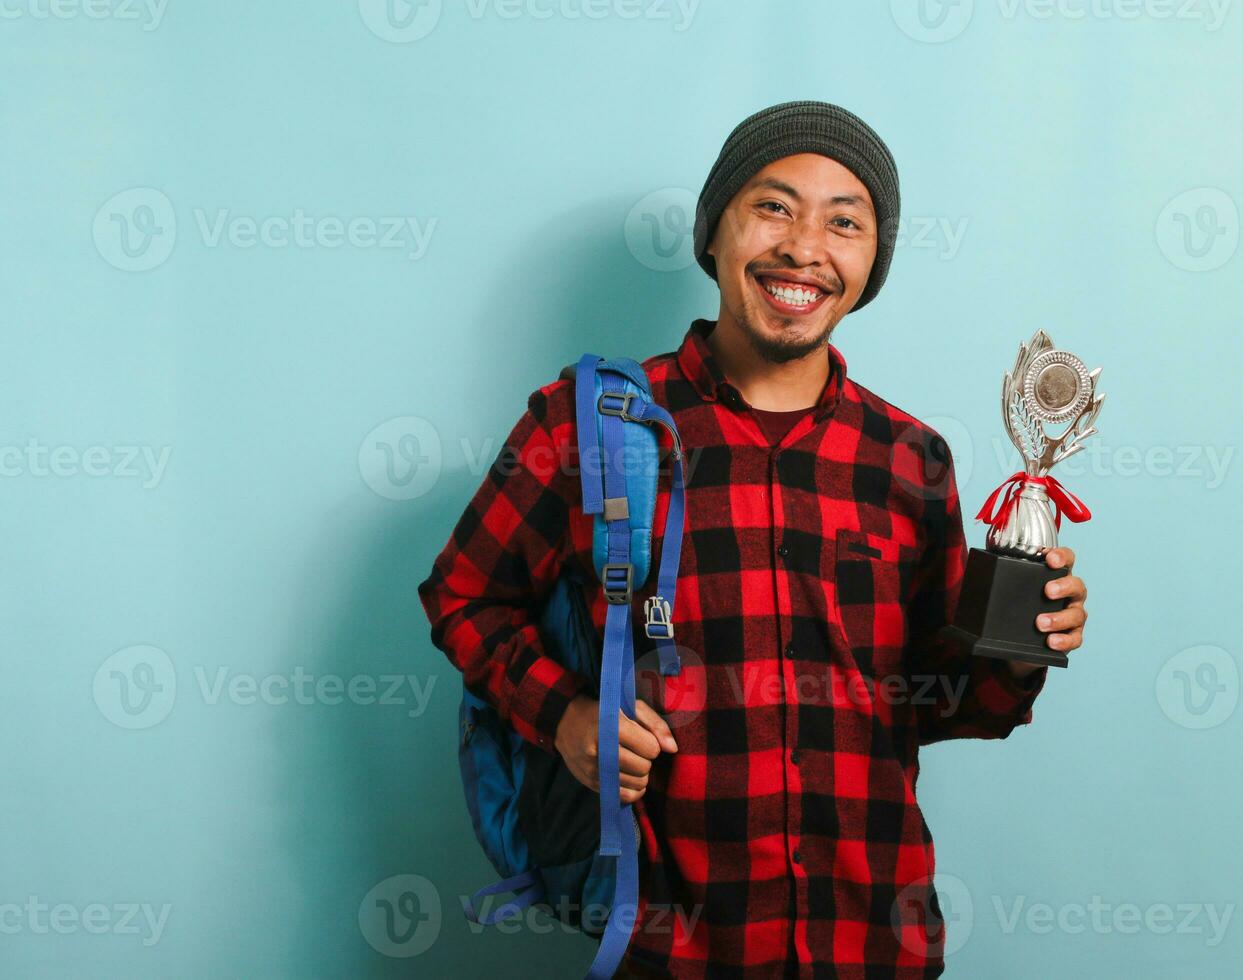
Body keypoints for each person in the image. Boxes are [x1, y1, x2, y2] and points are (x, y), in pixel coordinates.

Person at [417, 99, 1090, 979]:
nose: (805, 247)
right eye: (773, 206)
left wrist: (1019, 645)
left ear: (870, 262)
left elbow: (934, 700)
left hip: (875, 941)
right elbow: (461, 595)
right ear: (714, 232)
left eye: (844, 222)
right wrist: (564, 715)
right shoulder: (589, 426)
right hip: (673, 947)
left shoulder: (910, 459)